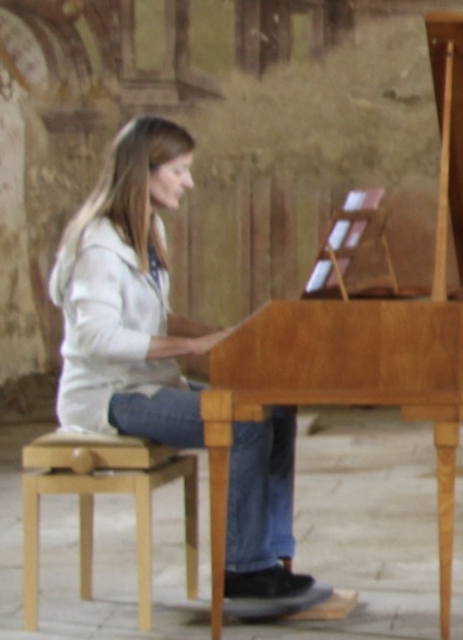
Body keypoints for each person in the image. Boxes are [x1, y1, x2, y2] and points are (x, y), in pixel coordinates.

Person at [49, 115, 314, 602]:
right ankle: (242, 572)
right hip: (109, 396)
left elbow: (156, 320)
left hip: (149, 382)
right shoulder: (99, 245)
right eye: (179, 170)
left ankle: (272, 555)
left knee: (275, 408)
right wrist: (194, 349)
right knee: (244, 424)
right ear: (143, 172)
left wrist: (226, 334)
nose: (189, 182)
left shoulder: (147, 229)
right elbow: (99, 338)